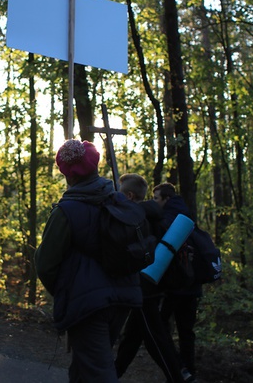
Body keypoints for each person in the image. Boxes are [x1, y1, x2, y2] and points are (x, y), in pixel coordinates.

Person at [35, 139, 142, 382]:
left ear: (67, 174)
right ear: (95, 164)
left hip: (89, 306)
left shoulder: (65, 212)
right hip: (124, 299)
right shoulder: (121, 202)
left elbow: (45, 264)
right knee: (85, 367)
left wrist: (65, 290)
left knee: (97, 371)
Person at [114, 174, 186, 382]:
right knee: (132, 336)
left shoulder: (138, 217)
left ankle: (177, 377)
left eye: (120, 192)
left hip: (144, 287)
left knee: (156, 337)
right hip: (150, 283)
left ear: (128, 195)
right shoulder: (154, 214)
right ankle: (112, 374)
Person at [154, 182, 200, 382]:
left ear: (166, 199)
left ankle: (178, 368)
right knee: (186, 331)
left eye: (156, 198)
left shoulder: (167, 219)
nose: (154, 202)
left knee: (161, 327)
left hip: (174, 286)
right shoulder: (187, 217)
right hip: (192, 284)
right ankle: (188, 370)